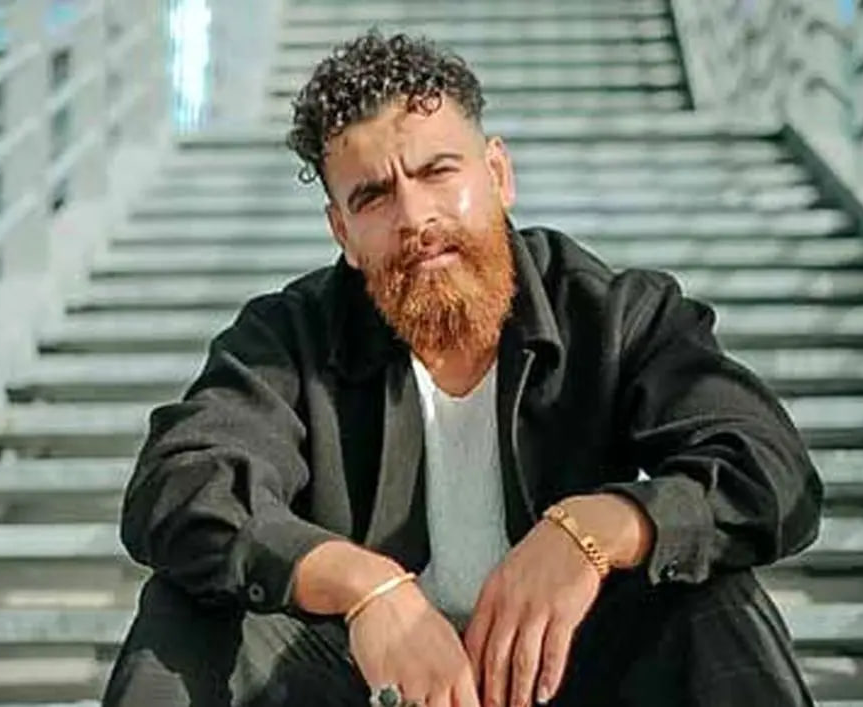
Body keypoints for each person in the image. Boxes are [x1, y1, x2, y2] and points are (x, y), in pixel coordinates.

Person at [102, 31, 823, 707]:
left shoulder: (613, 313)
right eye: (373, 196)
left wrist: (599, 526)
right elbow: (180, 485)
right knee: (186, 609)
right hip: (367, 684)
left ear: (498, 174)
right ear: (342, 232)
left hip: (572, 676)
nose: (415, 217)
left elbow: (771, 468)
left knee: (715, 598)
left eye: (437, 171)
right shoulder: (286, 337)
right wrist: (363, 585)